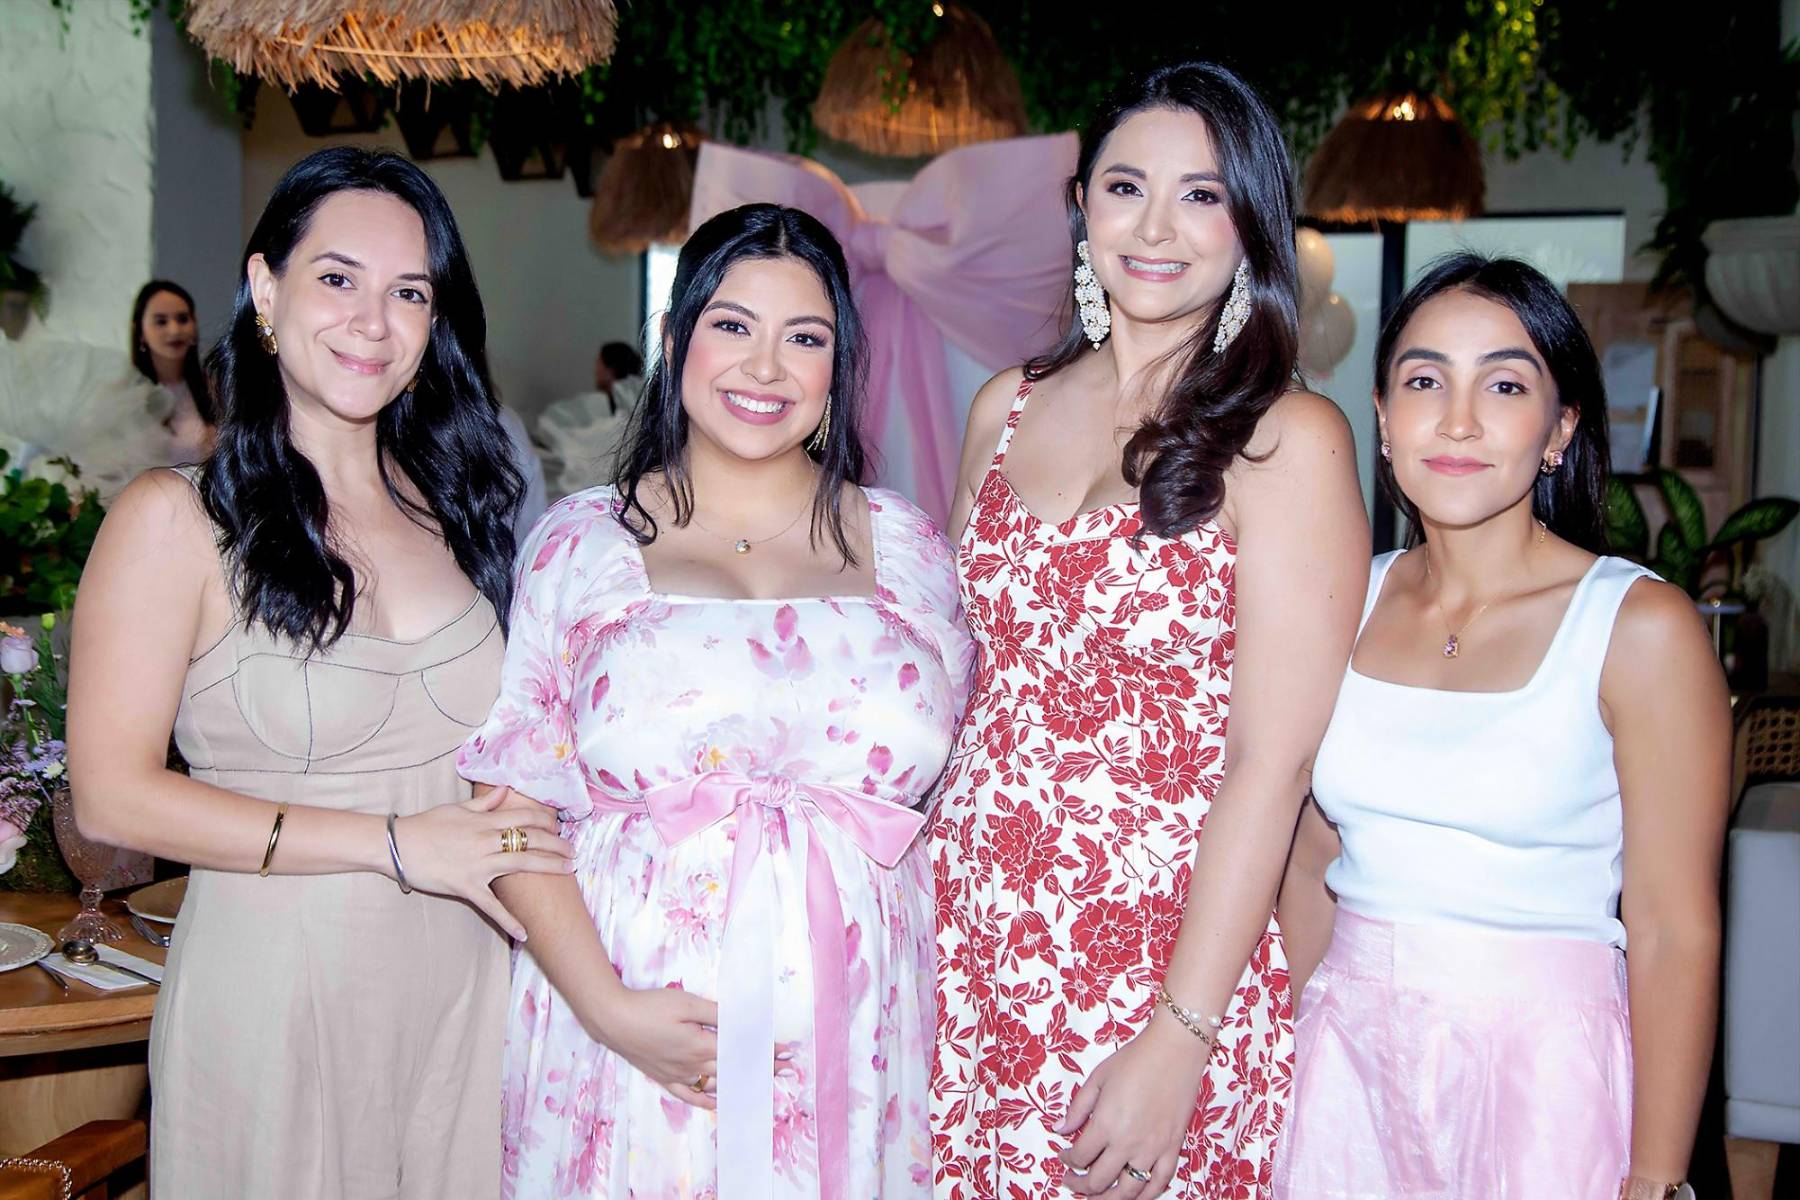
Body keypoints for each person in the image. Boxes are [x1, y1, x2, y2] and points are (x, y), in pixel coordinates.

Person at [66, 147, 574, 1198]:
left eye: (409, 293)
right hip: (275, 1002)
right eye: (338, 277)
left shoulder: (461, 509)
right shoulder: (175, 518)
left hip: (471, 996)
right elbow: (112, 796)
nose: (372, 322)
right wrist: (396, 843)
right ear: (265, 288)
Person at [458, 203, 973, 1198]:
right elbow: (511, 807)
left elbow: (955, 799)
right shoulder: (582, 544)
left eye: (805, 338)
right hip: (635, 1034)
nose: (765, 368)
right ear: (675, 338)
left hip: (862, 1039)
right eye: (733, 325)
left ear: (841, 364)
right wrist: (607, 1007)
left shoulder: (909, 548)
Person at [930, 61, 1368, 1199]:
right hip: (964, 936)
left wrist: (1179, 1037)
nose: (1156, 227)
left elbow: (1274, 765)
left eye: (1201, 195)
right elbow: (959, 681)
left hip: (1157, 954)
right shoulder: (1005, 404)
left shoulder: (1289, 439)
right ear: (1082, 206)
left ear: (1251, 222)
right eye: (1126, 188)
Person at [1274, 255, 1728, 1200]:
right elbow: (1312, 861)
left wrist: (1656, 1176)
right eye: (1425, 381)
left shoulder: (1638, 626)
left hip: (1545, 1079)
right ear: (1383, 417)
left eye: (1506, 386)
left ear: (1560, 428)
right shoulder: (1343, 600)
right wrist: (1277, 1067)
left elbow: (1674, 927)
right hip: (1346, 1071)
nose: (1459, 421)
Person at [537, 339, 646, 496]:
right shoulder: (638, 407)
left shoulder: (601, 413)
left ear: (610, 370)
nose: (595, 370)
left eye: (599, 363)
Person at [129, 279, 216, 462]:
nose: (174, 330)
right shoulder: (125, 395)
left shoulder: (214, 390)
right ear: (140, 332)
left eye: (183, 319)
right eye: (161, 321)